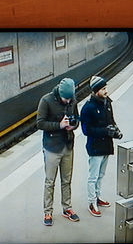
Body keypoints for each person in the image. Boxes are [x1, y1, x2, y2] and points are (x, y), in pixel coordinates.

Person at [36, 77, 80, 226]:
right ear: (59, 93)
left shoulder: (72, 99)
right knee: (50, 181)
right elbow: (40, 123)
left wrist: (73, 126)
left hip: (68, 146)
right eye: (65, 98)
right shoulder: (46, 101)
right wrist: (59, 125)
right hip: (52, 147)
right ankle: (48, 212)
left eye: (70, 98)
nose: (68, 101)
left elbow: (77, 119)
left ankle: (67, 208)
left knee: (66, 180)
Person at [80, 76, 122, 217]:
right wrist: (106, 131)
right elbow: (86, 131)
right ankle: (91, 203)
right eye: (103, 89)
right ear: (96, 90)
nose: (106, 91)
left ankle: (98, 197)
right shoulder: (88, 108)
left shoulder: (107, 103)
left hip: (106, 145)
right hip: (95, 147)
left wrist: (116, 131)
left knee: (101, 175)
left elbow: (111, 120)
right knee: (93, 177)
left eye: (105, 88)